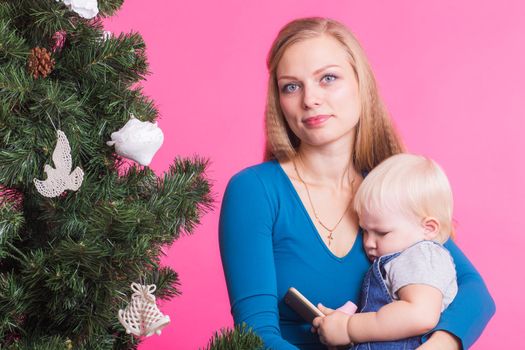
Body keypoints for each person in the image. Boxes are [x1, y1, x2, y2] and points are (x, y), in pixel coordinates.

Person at [219, 17, 495, 349]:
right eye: (291, 86)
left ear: (360, 84)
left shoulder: (388, 192)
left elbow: (474, 292)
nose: (310, 99)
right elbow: (256, 336)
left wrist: (441, 344)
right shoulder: (254, 192)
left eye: (328, 78)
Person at [312, 153, 458, 349]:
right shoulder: (402, 255)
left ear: (428, 228)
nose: (369, 242)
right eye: (364, 230)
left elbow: (420, 315)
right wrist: (339, 325)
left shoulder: (422, 256)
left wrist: (349, 327)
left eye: (381, 232)